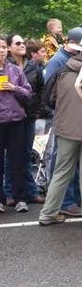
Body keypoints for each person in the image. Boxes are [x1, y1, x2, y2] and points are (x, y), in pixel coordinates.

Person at [38, 34, 82, 227]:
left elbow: (49, 99)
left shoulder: (61, 71)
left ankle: (48, 213)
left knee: (61, 172)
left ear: (78, 50)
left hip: (65, 128)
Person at [3, 35, 46, 206]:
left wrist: (38, 111)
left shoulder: (32, 66)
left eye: (23, 43)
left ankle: (30, 191)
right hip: (9, 118)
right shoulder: (6, 67)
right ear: (9, 47)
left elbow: (40, 90)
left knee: (26, 155)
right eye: (18, 43)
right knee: (10, 157)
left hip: (28, 116)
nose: (22, 46)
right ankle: (9, 193)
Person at [0, 35, 33, 213]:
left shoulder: (15, 70)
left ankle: (20, 198)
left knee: (18, 161)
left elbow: (29, 93)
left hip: (16, 121)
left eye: (4, 47)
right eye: (0, 47)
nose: (2, 50)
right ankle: (1, 199)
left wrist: (15, 88)